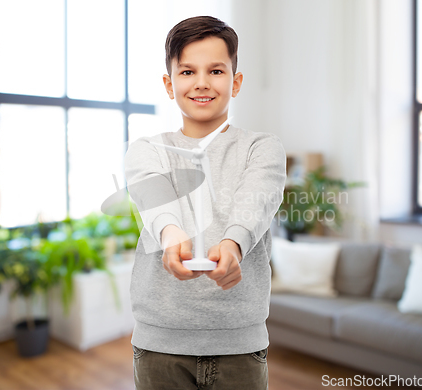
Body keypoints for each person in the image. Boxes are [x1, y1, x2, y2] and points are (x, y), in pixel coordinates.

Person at [124, 15, 286, 390]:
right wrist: (172, 235)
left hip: (239, 344)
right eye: (186, 72)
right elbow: (155, 200)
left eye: (216, 70)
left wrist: (233, 243)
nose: (201, 83)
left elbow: (256, 202)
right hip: (158, 345)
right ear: (169, 84)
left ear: (236, 81)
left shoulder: (262, 147)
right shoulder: (147, 150)